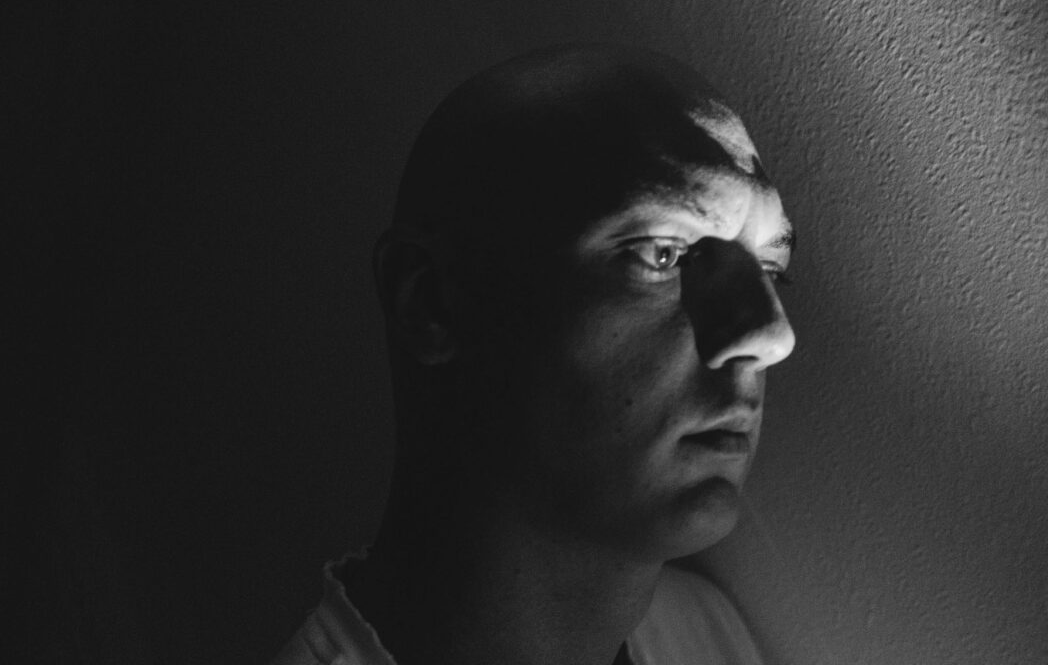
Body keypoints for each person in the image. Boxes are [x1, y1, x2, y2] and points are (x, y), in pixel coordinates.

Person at [272, 44, 796, 665]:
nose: (772, 335)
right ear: (432, 302)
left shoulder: (702, 634)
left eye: (770, 266)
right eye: (663, 253)